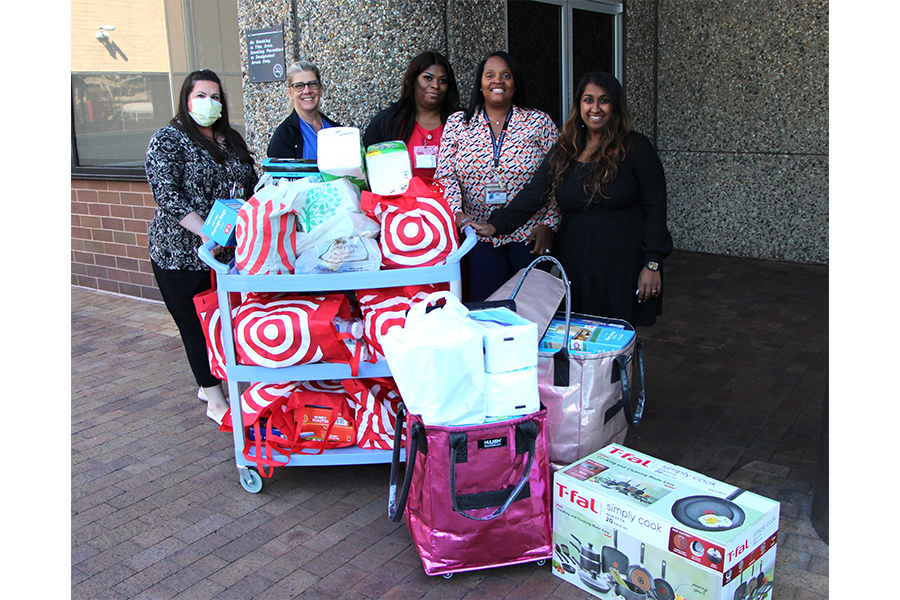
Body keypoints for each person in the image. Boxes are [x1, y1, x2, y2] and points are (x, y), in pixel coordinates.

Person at [471, 71, 673, 326]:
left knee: (620, 343)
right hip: (578, 265)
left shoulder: (636, 146)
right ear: (579, 106)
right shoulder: (566, 149)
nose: (595, 108)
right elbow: (536, 193)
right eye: (588, 100)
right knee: (581, 341)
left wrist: (652, 263)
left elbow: (655, 206)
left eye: (604, 100)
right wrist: (496, 225)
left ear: (615, 106)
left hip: (625, 267)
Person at [145, 69, 258, 424]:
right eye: (200, 96)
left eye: (215, 96)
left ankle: (208, 378)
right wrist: (206, 233)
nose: (209, 103)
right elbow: (168, 195)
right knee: (195, 326)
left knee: (223, 324)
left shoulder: (229, 138)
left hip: (228, 253)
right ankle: (215, 400)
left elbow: (249, 185)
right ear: (185, 99)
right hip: (180, 253)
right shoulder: (168, 140)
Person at [434, 51, 559, 301]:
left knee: (531, 308)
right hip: (478, 232)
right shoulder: (459, 123)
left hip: (529, 232)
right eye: (489, 75)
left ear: (515, 84)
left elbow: (559, 176)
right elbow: (446, 175)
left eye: (506, 76)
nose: (497, 81)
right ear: (480, 84)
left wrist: (550, 224)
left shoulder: (539, 122)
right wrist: (458, 214)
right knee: (487, 308)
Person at [362, 51, 461, 179]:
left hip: (451, 199)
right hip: (401, 199)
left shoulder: (461, 123)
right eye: (428, 78)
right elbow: (365, 170)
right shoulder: (388, 122)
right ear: (413, 80)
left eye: (443, 81)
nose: (436, 85)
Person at [267, 60, 342, 159]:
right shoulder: (282, 138)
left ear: (320, 89)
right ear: (290, 93)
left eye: (312, 84)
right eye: (299, 86)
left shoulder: (337, 130)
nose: (307, 91)